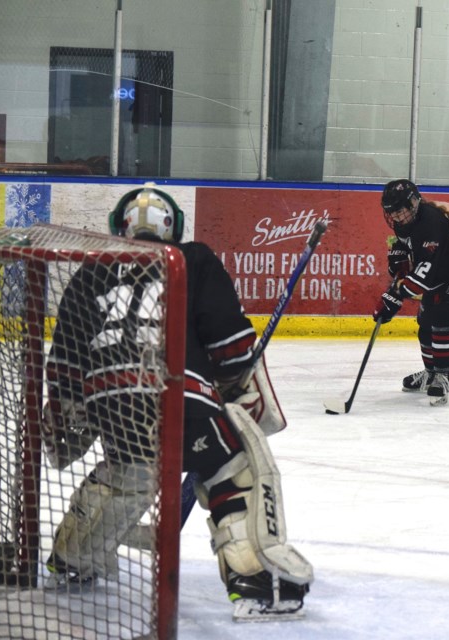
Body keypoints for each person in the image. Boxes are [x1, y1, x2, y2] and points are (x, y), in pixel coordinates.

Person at [42, 185, 313, 619]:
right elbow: (233, 350)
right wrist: (231, 382)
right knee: (232, 469)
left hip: (109, 402)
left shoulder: (91, 272)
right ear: (175, 230)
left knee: (124, 475)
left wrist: (69, 417)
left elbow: (65, 369)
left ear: (119, 228)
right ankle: (257, 578)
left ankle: (73, 560)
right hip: (178, 393)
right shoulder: (193, 258)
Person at [373, 179, 449, 406]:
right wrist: (398, 258)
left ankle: (443, 376)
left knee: (444, 315)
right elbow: (409, 252)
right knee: (425, 322)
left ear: (414, 202)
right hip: (439, 276)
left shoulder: (432, 223)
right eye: (391, 212)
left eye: (400, 210)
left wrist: (394, 296)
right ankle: (430, 373)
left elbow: (422, 277)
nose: (396, 217)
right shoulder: (405, 222)